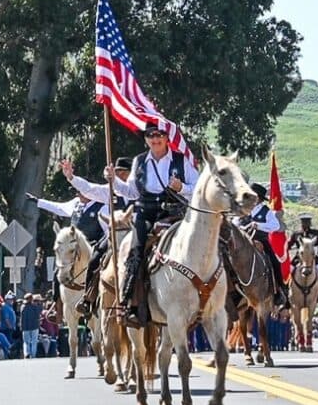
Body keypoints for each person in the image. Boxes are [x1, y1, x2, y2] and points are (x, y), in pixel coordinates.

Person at [111, 123, 199, 325]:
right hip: (146, 213)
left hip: (174, 212)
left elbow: (198, 187)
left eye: (159, 135)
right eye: (150, 135)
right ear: (146, 139)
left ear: (167, 138)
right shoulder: (139, 161)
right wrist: (114, 181)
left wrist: (181, 187)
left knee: (206, 243)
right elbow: (131, 192)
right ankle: (130, 303)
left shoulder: (180, 160)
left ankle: (220, 296)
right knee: (136, 253)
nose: (155, 138)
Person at [58, 157, 133, 313]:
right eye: (116, 172)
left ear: (130, 173)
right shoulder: (109, 190)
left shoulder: (138, 188)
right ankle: (89, 297)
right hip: (115, 235)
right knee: (95, 258)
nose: (118, 175)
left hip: (135, 234)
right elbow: (89, 189)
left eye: (122, 172)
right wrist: (71, 177)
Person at [232, 182, 290, 309]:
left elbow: (276, 225)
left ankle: (280, 290)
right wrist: (241, 227)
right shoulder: (242, 209)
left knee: (275, 261)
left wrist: (259, 225)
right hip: (242, 241)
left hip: (260, 241)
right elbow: (234, 223)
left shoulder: (266, 212)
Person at [287, 213, 318, 282]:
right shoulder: (296, 234)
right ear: (301, 222)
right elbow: (288, 246)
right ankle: (285, 291)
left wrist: (314, 251)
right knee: (287, 273)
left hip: (313, 258)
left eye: (307, 221)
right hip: (298, 259)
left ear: (310, 223)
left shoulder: (316, 233)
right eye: (304, 221)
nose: (305, 224)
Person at [20, 294, 43, 359]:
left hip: (25, 327)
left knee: (26, 342)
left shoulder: (22, 307)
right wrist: (40, 303)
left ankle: (27, 353)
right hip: (34, 326)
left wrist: (21, 326)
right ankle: (33, 355)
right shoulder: (35, 306)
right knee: (34, 342)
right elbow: (39, 313)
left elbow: (21, 318)